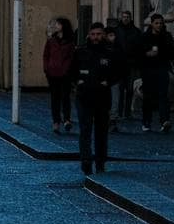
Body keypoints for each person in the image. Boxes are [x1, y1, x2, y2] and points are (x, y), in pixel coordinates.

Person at [71, 21, 117, 174]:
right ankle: (85, 159)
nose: (95, 37)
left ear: (103, 35)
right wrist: (76, 81)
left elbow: (120, 70)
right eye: (93, 34)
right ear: (88, 35)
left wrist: (108, 81)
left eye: (98, 34)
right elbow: (71, 70)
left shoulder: (110, 52)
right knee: (85, 129)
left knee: (101, 131)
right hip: (84, 96)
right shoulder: (80, 52)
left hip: (102, 97)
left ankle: (100, 161)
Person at [140, 13, 174, 133]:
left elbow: (173, 53)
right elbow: (138, 53)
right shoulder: (145, 37)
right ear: (152, 24)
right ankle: (146, 121)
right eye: (156, 23)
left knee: (164, 95)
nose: (159, 25)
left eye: (161, 23)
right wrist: (146, 54)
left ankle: (164, 120)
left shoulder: (166, 36)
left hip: (163, 68)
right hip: (148, 69)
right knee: (148, 96)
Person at [42, 17, 76, 134]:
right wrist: (47, 68)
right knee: (55, 98)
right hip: (52, 73)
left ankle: (67, 119)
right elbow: (46, 55)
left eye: (58, 24)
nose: (56, 25)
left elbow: (71, 57)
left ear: (63, 26)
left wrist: (66, 69)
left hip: (65, 74)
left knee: (65, 96)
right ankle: (56, 121)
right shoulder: (51, 41)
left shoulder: (70, 42)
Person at [112, 11, 142, 131]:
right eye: (123, 17)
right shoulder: (116, 31)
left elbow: (139, 47)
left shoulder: (135, 32)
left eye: (127, 17)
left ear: (130, 18)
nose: (125, 19)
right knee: (120, 88)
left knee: (129, 89)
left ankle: (127, 111)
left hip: (131, 64)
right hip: (119, 64)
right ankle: (119, 111)